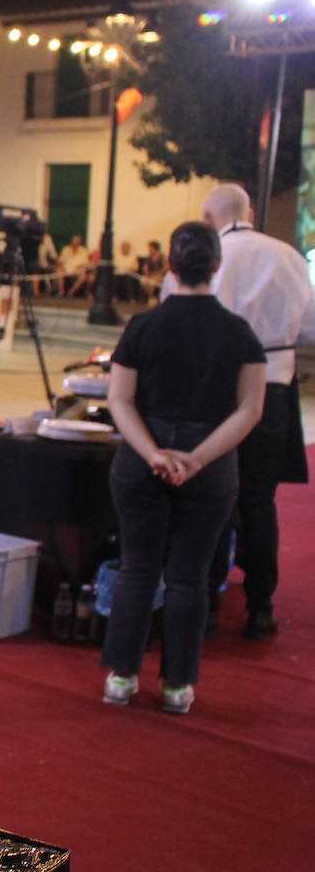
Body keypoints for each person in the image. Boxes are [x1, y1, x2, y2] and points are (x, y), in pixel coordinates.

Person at [100, 221, 266, 714]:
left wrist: (153, 453)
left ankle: (122, 678)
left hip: (141, 459)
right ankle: (177, 687)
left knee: (137, 569)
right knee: (191, 576)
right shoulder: (239, 332)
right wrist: (197, 458)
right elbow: (250, 409)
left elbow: (119, 400)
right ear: (216, 266)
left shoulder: (143, 326)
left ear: (169, 265)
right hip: (210, 466)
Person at [191, 184, 314, 640]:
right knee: (259, 501)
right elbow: (309, 328)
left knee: (211, 498)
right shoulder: (289, 256)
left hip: (215, 391)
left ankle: (204, 606)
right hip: (273, 390)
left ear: (208, 215)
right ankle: (260, 608)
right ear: (252, 211)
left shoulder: (209, 255)